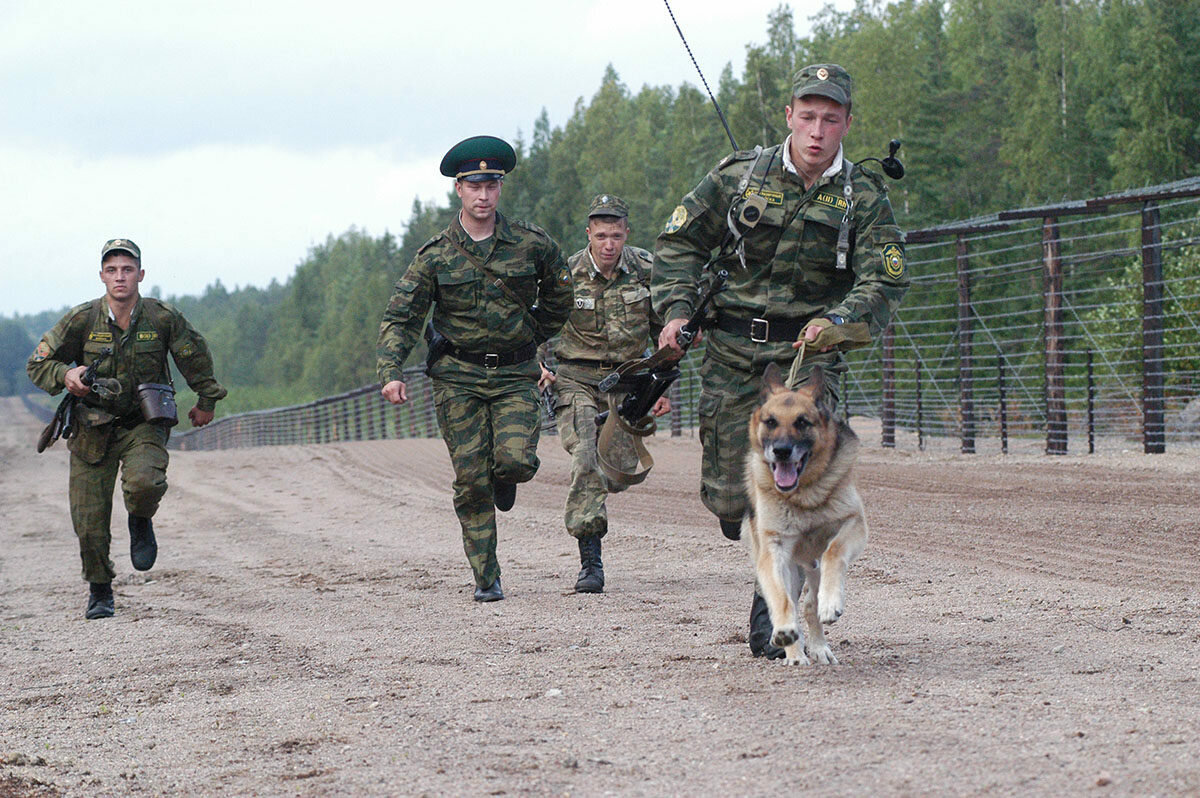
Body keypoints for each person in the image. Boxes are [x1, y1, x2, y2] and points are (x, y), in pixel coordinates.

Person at [652, 64, 909, 657]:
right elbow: (679, 243)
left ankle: (773, 614)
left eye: (831, 118)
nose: (818, 130)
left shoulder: (864, 199)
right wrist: (675, 308)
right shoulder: (741, 176)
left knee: (794, 486)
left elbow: (885, 279)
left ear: (846, 123)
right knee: (729, 497)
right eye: (808, 115)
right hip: (732, 353)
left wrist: (839, 322)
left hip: (808, 363)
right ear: (789, 115)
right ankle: (754, 536)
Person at [377, 135, 572, 603]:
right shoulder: (436, 256)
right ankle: (487, 575)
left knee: (516, 461)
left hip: (513, 375)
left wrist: (530, 337)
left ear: (500, 189)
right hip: (457, 379)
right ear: (458, 190)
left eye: (491, 185)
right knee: (470, 479)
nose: (483, 195)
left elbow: (561, 297)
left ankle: (506, 475)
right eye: (473, 185)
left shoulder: (531, 245)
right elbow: (402, 317)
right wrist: (392, 370)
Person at [27, 238, 226, 620]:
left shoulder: (162, 318)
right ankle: (100, 591)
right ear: (102, 276)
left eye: (128, 269)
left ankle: (140, 519)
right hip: (91, 427)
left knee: (146, 483)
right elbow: (38, 364)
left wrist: (206, 401)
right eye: (112, 270)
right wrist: (66, 374)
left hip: (143, 423)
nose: (120, 277)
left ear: (140, 274)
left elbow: (193, 357)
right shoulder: (81, 319)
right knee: (89, 521)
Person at [537, 194, 669, 594]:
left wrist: (661, 383)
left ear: (626, 233)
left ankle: (600, 488)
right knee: (586, 455)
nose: (609, 244)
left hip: (628, 381)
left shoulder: (646, 269)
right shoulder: (566, 274)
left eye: (616, 235)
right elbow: (539, 323)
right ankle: (590, 559)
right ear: (588, 235)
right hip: (576, 379)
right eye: (601, 236)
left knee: (616, 472)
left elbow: (665, 330)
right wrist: (540, 365)